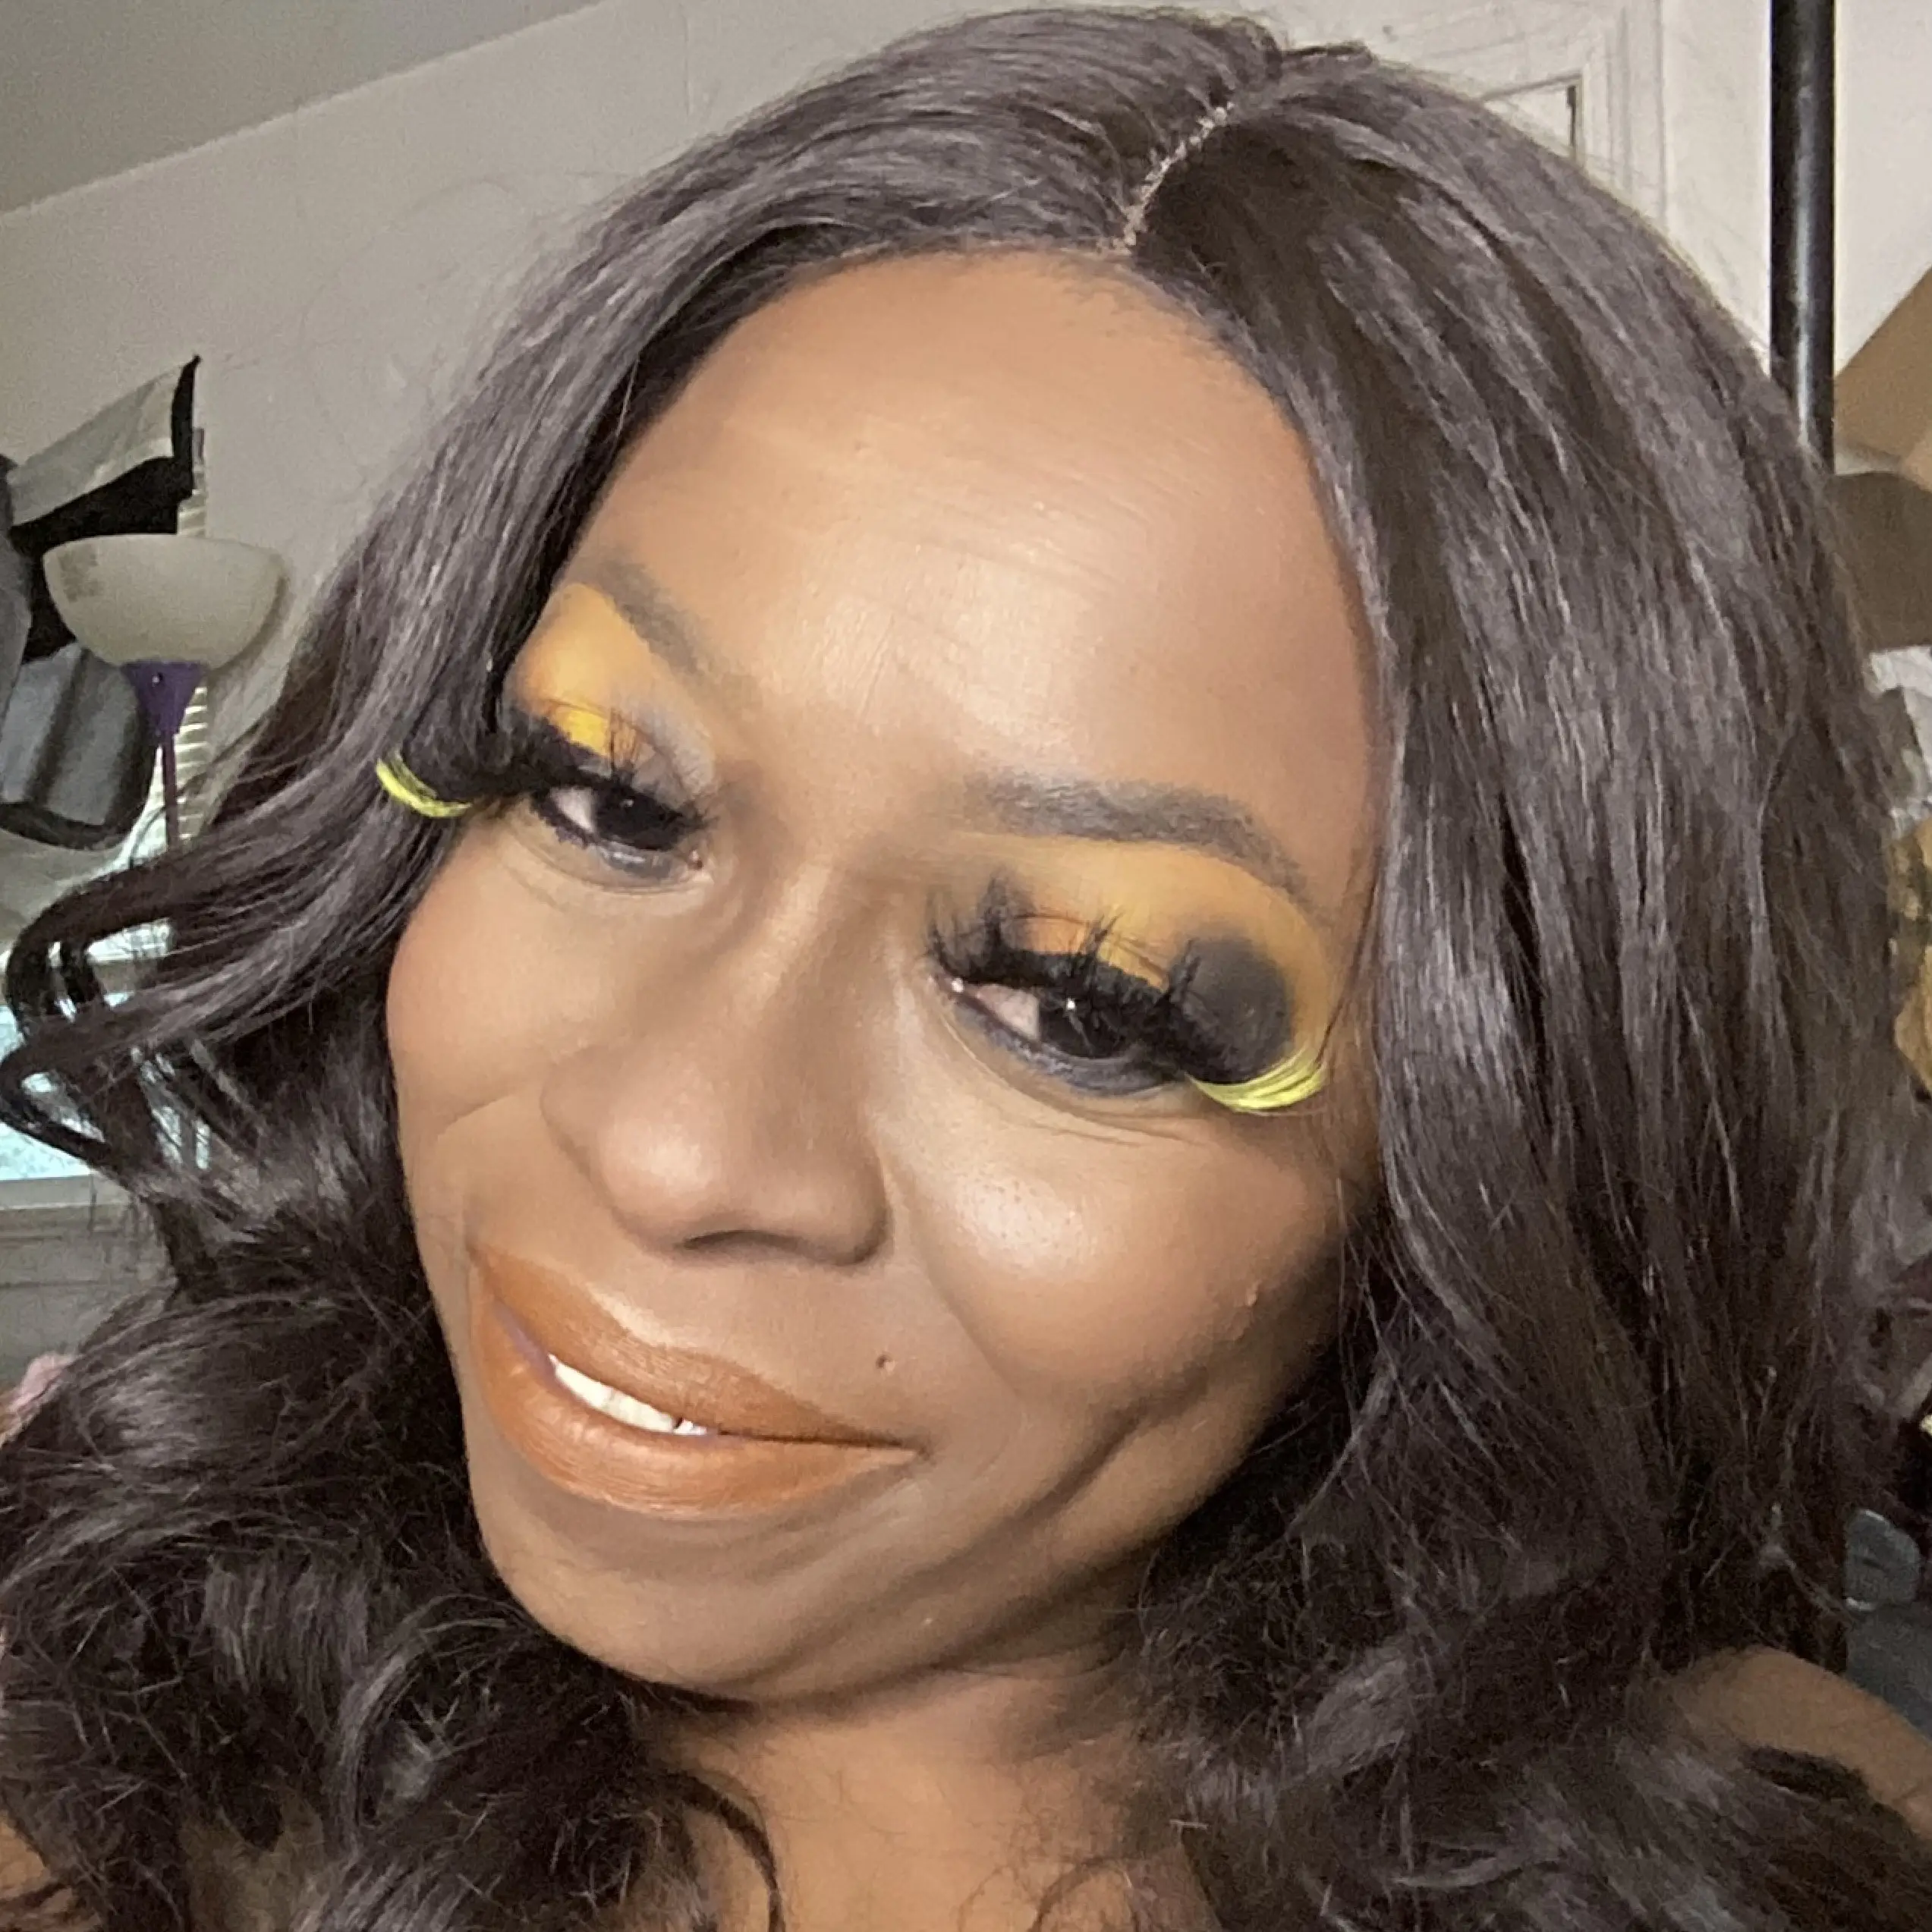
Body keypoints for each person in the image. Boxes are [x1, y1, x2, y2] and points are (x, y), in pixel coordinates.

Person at [5, 8, 1932, 1929]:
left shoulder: (1766, 1844)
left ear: (1493, 1147)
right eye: (602, 796)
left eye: (1081, 1003)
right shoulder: (97, 1773)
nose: (673, 1147)